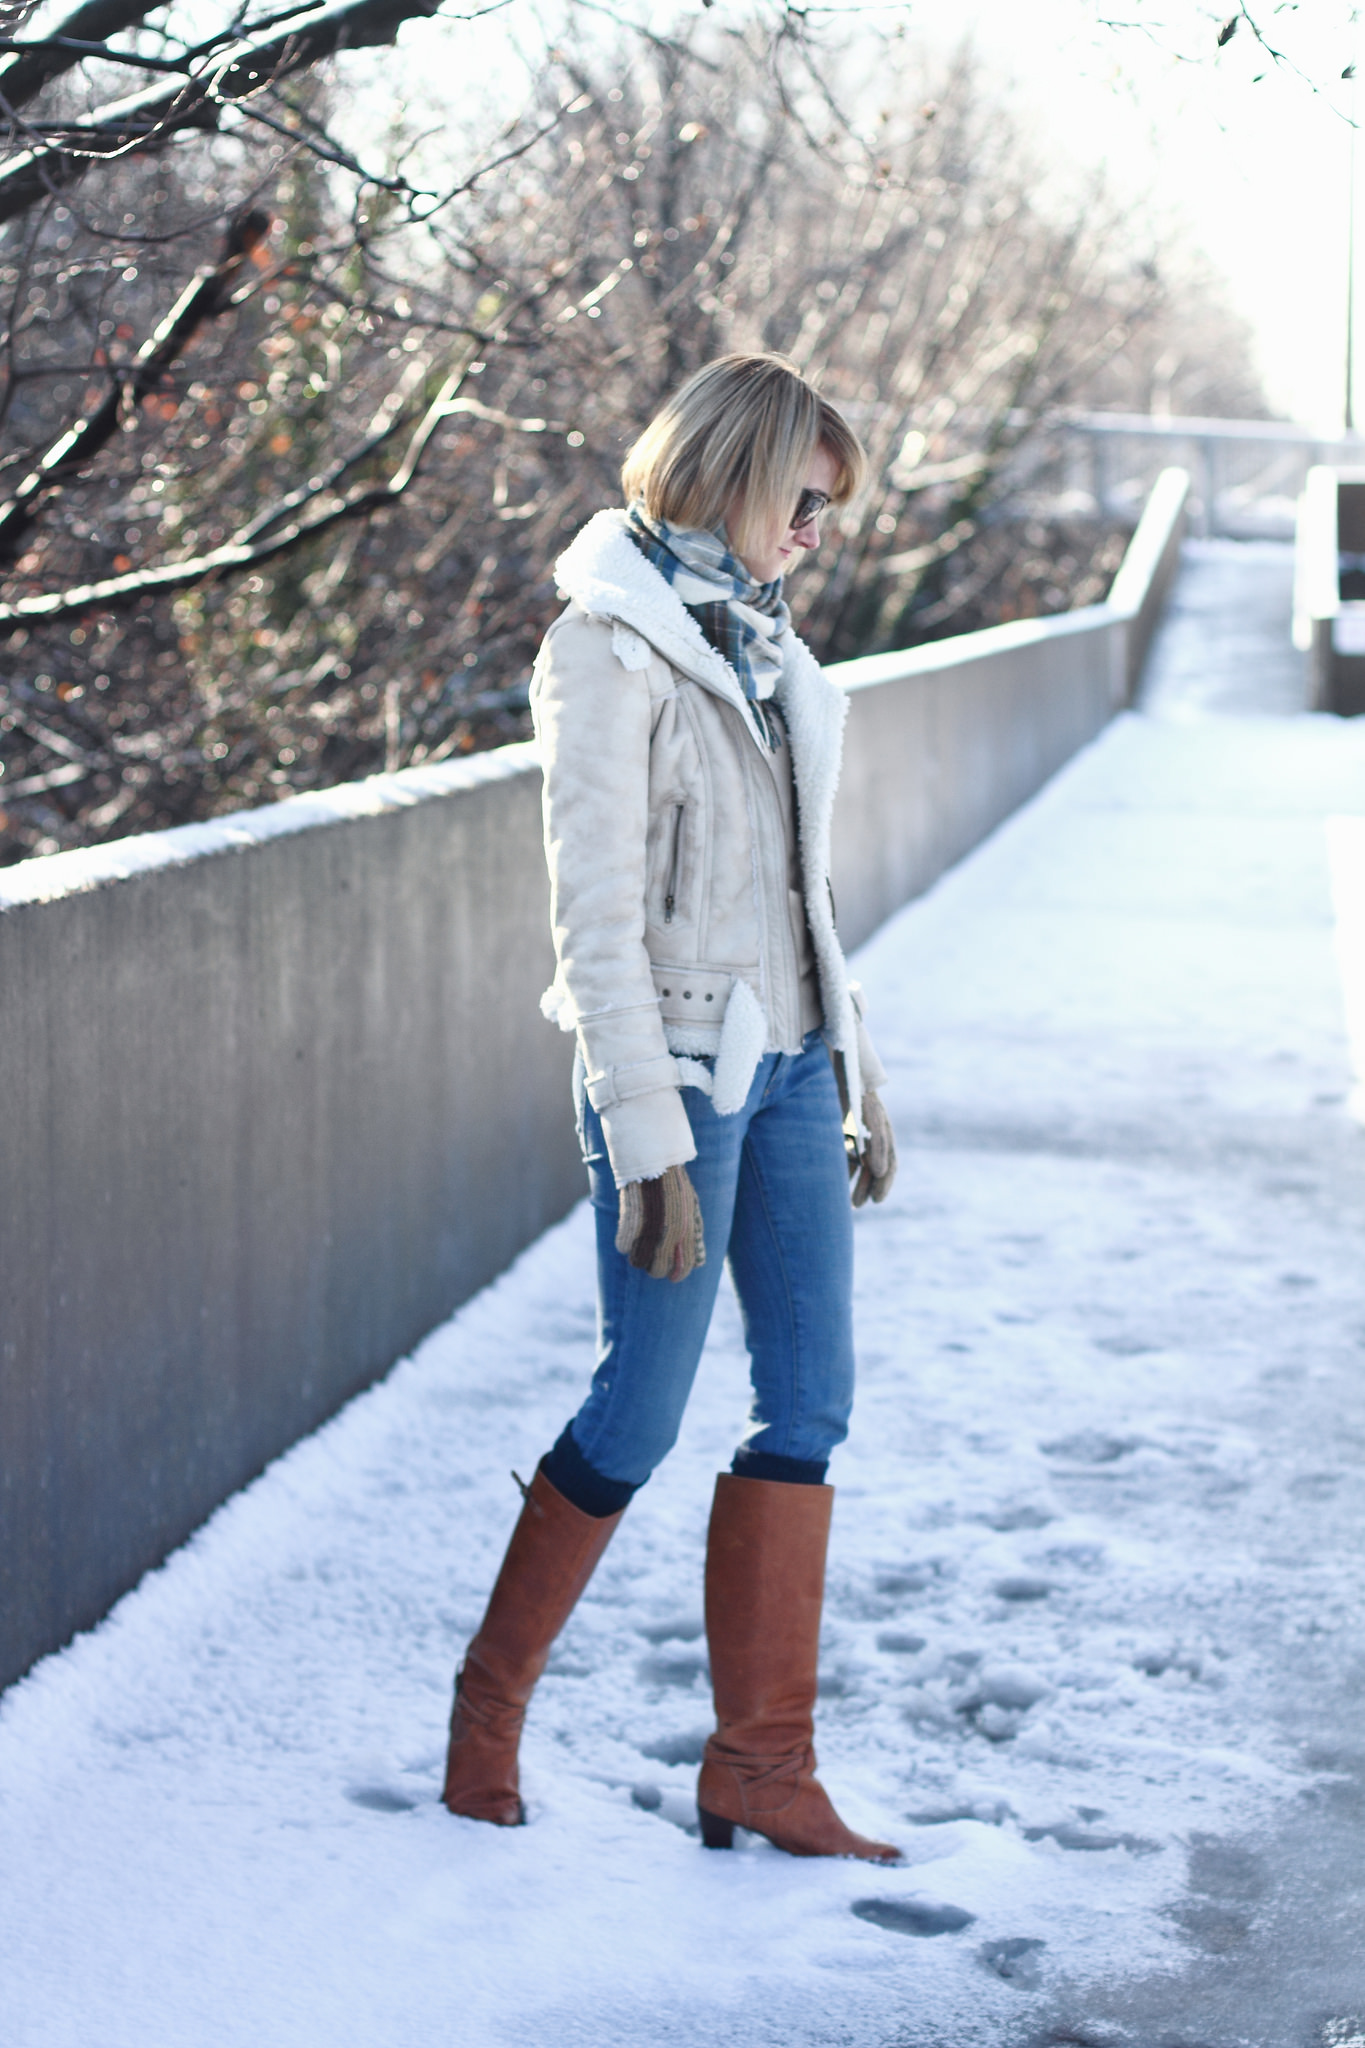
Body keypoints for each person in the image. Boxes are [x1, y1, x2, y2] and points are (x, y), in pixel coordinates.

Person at [441, 353, 900, 1864]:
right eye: (807, 503)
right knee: (636, 1413)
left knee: (810, 1401)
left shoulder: (766, 651)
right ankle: (486, 1718)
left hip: (783, 1078)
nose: (817, 537)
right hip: (680, 1083)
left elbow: (795, 902)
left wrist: (851, 1075)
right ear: (739, 475)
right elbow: (595, 923)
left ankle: (761, 1768)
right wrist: (646, 1142)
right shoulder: (608, 646)